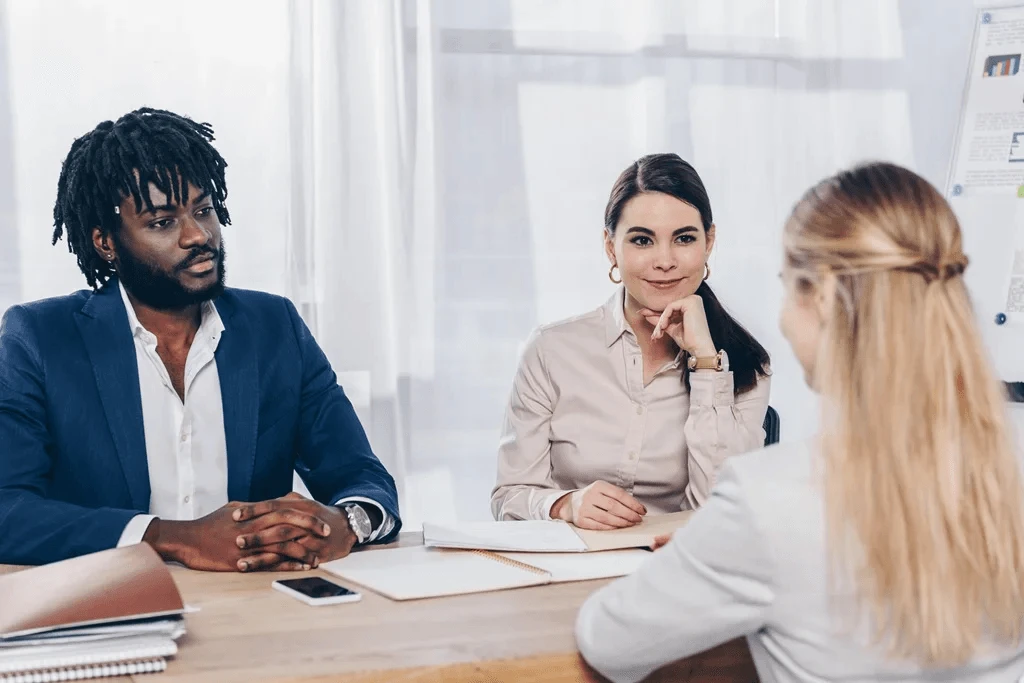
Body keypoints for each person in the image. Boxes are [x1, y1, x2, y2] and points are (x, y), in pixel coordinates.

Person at [575, 162, 1024, 681]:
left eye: (789, 288)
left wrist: (717, 554)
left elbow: (607, 641)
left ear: (826, 301)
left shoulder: (769, 499)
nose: (784, 317)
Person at [0, 108, 401, 570]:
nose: (198, 235)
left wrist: (344, 525)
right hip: (112, 609)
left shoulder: (275, 327)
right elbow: (9, 509)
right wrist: (173, 538)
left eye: (203, 210)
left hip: (256, 606)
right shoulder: (40, 339)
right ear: (106, 243)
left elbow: (361, 476)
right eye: (162, 222)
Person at [492, 153, 771, 528]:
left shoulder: (746, 363)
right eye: (642, 240)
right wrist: (565, 505)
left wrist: (705, 363)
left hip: (677, 568)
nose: (665, 260)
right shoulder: (550, 351)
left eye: (684, 238)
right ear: (611, 247)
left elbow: (722, 514)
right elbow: (508, 496)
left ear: (709, 242)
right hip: (572, 567)